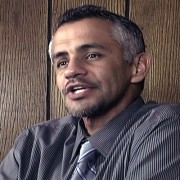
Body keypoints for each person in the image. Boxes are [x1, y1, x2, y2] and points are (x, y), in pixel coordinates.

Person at [0, 4, 180, 180]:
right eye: (62, 62)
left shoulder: (167, 128)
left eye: (92, 55)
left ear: (137, 67)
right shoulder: (33, 144)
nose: (71, 71)